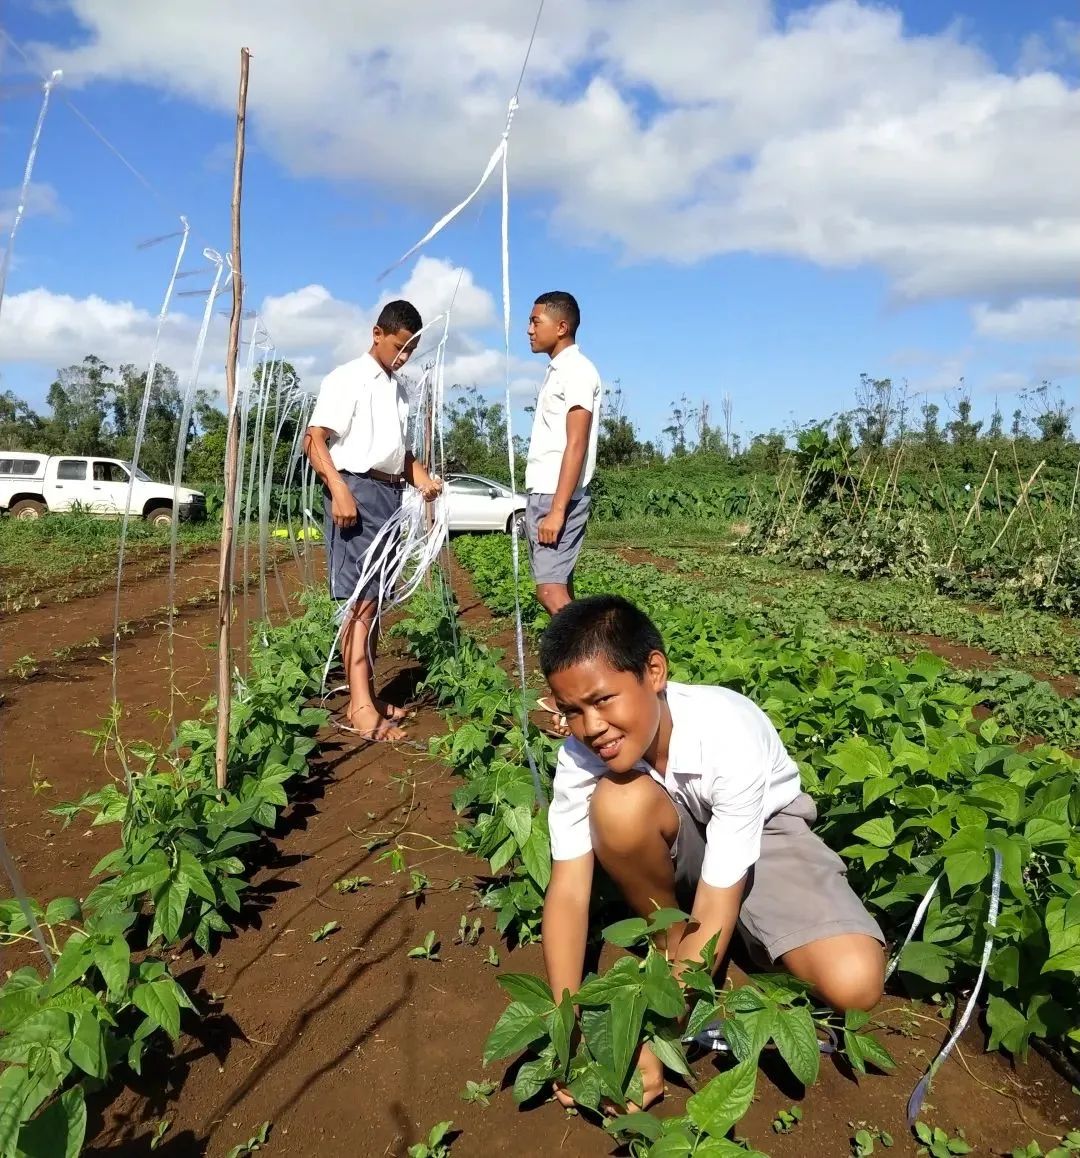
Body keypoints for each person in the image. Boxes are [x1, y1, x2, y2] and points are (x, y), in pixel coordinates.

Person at [538, 594, 886, 1111]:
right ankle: (673, 948)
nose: (591, 728)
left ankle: (707, 962)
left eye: (603, 699)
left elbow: (721, 895)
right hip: (681, 839)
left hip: (767, 836)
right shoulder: (581, 754)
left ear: (654, 671)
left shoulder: (727, 733)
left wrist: (657, 1038)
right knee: (619, 803)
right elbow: (567, 891)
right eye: (572, 712)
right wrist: (562, 1028)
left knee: (855, 982)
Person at [304, 299, 442, 742]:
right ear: (377, 333)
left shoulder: (397, 388)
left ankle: (370, 694)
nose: (403, 357)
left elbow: (396, 452)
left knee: (377, 598)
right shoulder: (347, 378)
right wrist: (339, 489)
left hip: (388, 493)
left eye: (410, 352)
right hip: (356, 490)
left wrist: (419, 474)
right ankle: (359, 705)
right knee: (359, 601)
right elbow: (315, 439)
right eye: (399, 347)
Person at [524, 291, 602, 618]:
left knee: (550, 591)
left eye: (535, 321)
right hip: (547, 493)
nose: (529, 329)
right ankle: (575, 665)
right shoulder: (558, 371)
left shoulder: (577, 371)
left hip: (556, 497)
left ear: (561, 327)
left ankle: (597, 662)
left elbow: (577, 444)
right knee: (561, 586)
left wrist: (557, 510)